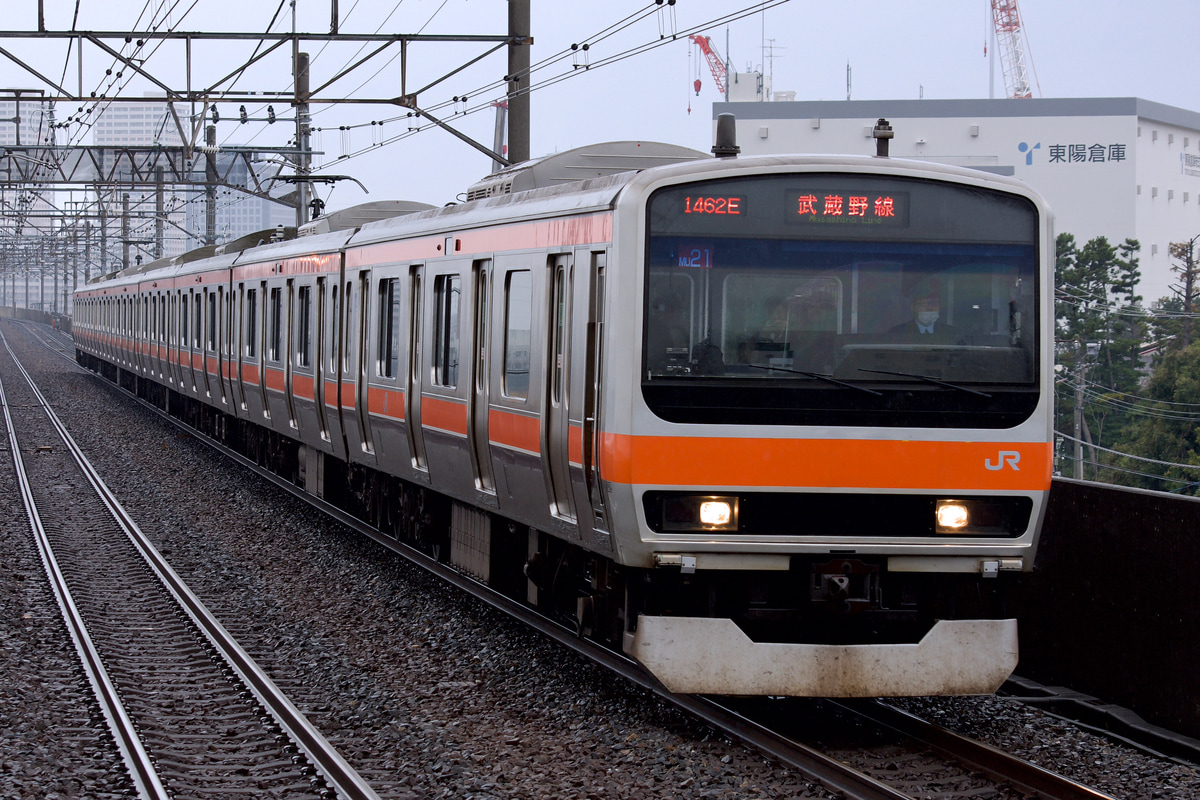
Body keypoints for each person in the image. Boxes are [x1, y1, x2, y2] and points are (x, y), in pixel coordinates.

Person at [889, 288, 957, 342]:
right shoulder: (898, 333)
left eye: (933, 304)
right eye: (923, 304)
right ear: (913, 307)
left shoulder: (950, 333)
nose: (929, 308)